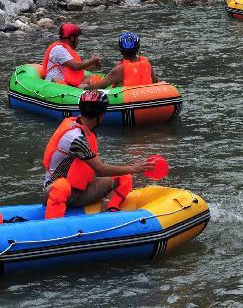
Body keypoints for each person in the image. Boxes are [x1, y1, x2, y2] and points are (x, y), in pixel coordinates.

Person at [42, 91, 155, 219]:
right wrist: (134, 168)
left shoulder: (85, 129)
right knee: (62, 186)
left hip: (81, 190)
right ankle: (53, 227)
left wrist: (129, 171)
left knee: (124, 178)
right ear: (100, 115)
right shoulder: (75, 138)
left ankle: (109, 213)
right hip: (55, 191)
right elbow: (100, 169)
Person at [88, 32, 158, 89]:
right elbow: (155, 81)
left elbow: (100, 86)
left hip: (126, 101)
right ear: (138, 48)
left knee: (92, 80)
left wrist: (83, 88)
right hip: (146, 97)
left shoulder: (119, 69)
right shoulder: (147, 64)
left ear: (120, 50)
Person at [41, 23, 101, 88]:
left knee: (93, 78)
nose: (78, 40)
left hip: (67, 82)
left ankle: (80, 89)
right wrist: (91, 61)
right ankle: (78, 89)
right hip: (54, 82)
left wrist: (94, 65)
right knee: (57, 79)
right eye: (77, 38)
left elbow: (81, 68)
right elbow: (75, 66)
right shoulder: (58, 49)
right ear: (72, 38)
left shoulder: (69, 50)